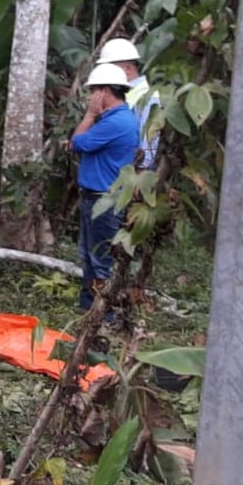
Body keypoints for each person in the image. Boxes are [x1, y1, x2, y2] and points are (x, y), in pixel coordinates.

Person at [69, 63, 138, 311]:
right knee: (90, 257)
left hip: (103, 200)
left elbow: (76, 143)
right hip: (97, 198)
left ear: (105, 92)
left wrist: (89, 115)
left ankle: (102, 316)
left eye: (93, 91)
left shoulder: (114, 123)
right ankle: (88, 308)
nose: (90, 98)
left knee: (100, 260)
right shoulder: (115, 119)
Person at [96, 37, 160, 170]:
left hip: (131, 173)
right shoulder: (123, 94)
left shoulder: (148, 97)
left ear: (127, 69)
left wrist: (137, 176)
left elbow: (149, 143)